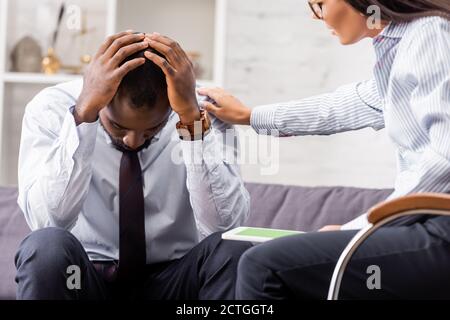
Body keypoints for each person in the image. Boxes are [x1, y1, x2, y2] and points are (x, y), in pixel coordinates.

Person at [198, 0, 450, 299]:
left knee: (262, 265)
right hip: (425, 225)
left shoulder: (430, 34)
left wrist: (359, 228)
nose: (316, 15)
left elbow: (445, 158)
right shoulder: (399, 48)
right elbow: (339, 108)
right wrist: (249, 116)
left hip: (440, 228)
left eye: (320, 3)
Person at [15, 31, 252, 300]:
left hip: (175, 283)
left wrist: (191, 122)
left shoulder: (205, 112)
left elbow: (223, 228)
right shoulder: (52, 109)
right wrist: (83, 116)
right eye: (118, 126)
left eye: (152, 129)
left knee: (234, 250)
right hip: (82, 280)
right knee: (46, 247)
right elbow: (48, 220)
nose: (133, 140)